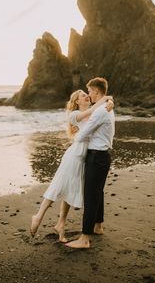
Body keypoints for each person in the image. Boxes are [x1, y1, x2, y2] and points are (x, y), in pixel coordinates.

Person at [30, 89, 113, 242]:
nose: (87, 96)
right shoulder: (74, 115)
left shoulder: (92, 113)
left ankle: (60, 225)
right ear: (77, 101)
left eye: (87, 94)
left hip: (84, 158)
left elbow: (98, 112)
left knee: (69, 189)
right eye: (83, 95)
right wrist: (108, 98)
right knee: (58, 186)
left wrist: (109, 102)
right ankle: (38, 216)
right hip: (74, 156)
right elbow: (95, 108)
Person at [65, 77, 115, 249]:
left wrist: (78, 134)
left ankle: (84, 238)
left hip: (96, 157)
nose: (90, 95)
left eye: (90, 92)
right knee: (97, 192)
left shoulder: (101, 111)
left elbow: (81, 134)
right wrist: (109, 100)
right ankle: (98, 226)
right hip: (103, 156)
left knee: (90, 195)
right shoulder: (107, 108)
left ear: (96, 91)